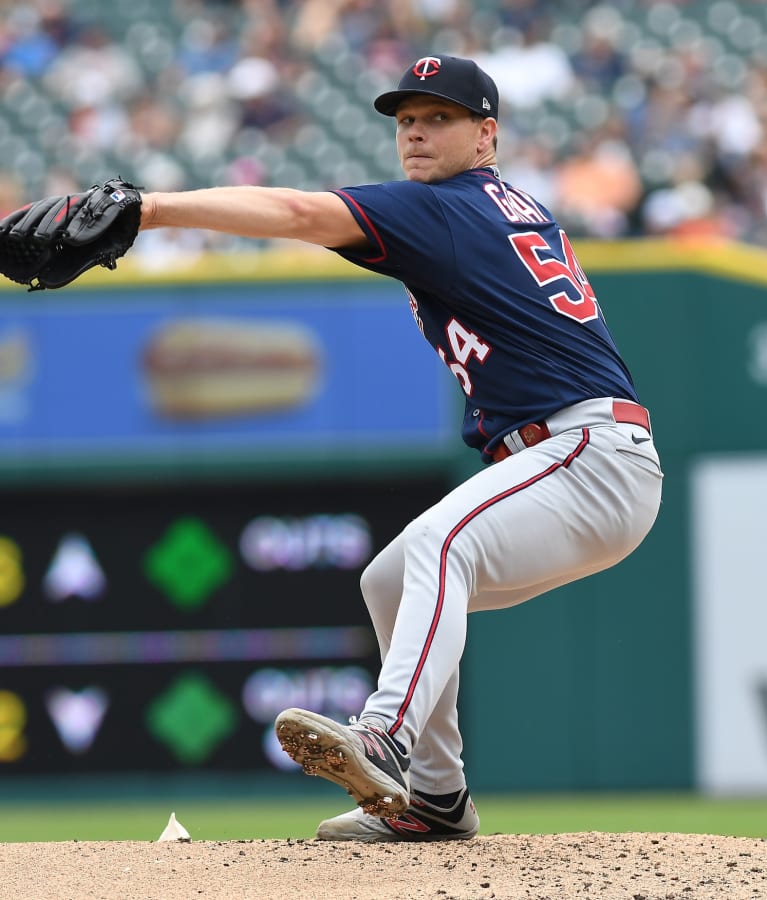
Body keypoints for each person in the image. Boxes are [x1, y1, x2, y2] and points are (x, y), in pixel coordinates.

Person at [138, 54, 664, 840]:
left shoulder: (450, 207)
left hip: (586, 455)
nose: (415, 132)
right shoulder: (494, 204)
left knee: (438, 542)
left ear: (486, 134)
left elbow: (294, 212)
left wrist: (149, 210)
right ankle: (437, 798)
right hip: (575, 458)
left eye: (439, 118)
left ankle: (386, 733)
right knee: (391, 579)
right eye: (406, 120)